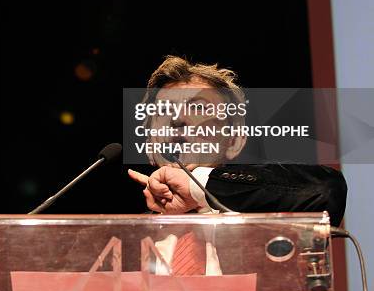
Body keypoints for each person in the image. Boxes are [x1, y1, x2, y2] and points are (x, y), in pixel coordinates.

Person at [128, 55, 347, 227]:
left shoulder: (272, 218)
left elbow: (324, 190)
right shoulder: (121, 240)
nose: (177, 119)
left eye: (198, 107)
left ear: (234, 141)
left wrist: (196, 187)